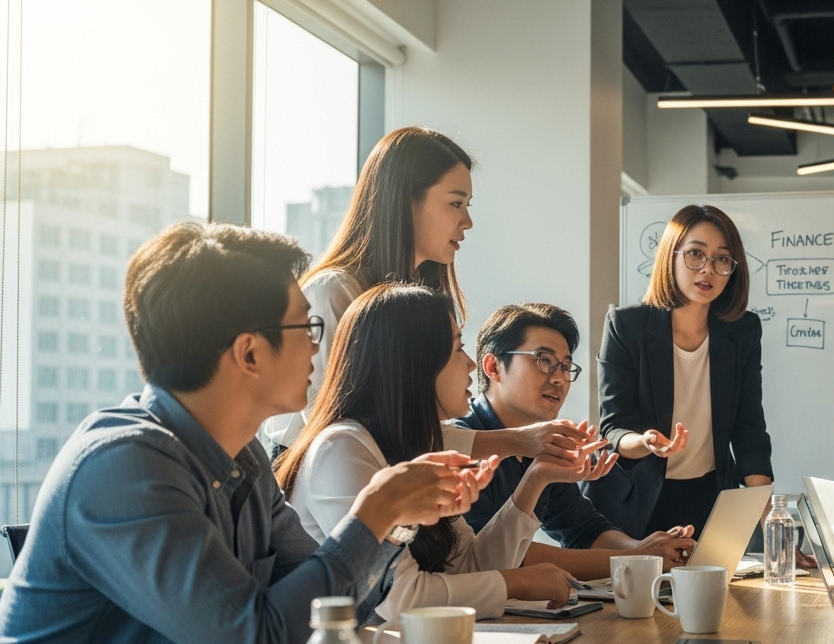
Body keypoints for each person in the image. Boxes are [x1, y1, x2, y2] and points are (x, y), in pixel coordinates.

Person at [0, 224, 486, 644]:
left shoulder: (244, 457)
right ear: (250, 354)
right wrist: (375, 511)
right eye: (307, 328)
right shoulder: (123, 470)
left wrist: (393, 524)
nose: (318, 351)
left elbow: (329, 612)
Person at [262, 126, 591, 464]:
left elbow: (412, 429)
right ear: (405, 201)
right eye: (455, 203)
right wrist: (515, 441)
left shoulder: (420, 299)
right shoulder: (334, 292)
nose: (467, 221)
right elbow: (342, 430)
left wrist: (521, 442)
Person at [276, 285, 592, 621]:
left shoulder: (414, 444)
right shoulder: (342, 449)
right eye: (458, 349)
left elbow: (469, 566)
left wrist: (536, 478)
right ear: (415, 362)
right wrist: (513, 583)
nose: (471, 365)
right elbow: (400, 599)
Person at [456, 302, 697, 580]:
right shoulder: (461, 443)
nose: (559, 378)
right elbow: (496, 555)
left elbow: (584, 530)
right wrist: (638, 558)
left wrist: (652, 549)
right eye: (543, 360)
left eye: (566, 366)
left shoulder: (544, 443)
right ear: (493, 367)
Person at [586, 204, 773, 538]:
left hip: (709, 498)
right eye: (695, 254)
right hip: (635, 499)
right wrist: (646, 442)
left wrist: (770, 521)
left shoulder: (742, 330)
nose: (708, 269)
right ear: (670, 257)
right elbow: (614, 427)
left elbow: (749, 429)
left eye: (722, 259)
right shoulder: (627, 326)